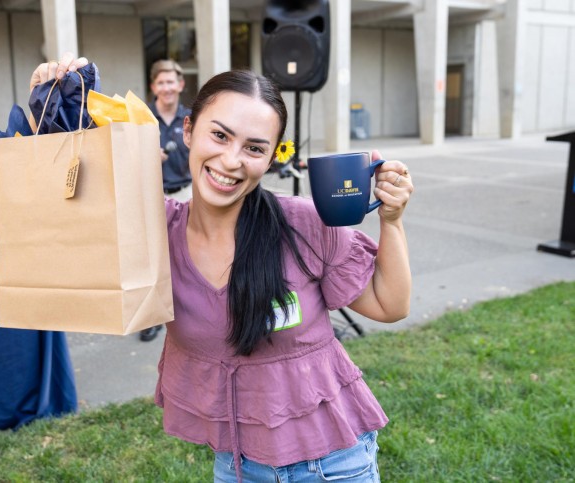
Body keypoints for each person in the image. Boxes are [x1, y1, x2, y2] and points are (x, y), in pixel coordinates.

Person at [33, 54, 413, 482]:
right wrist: (51, 104)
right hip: (238, 466)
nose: (232, 161)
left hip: (335, 464)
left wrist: (392, 221)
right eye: (219, 135)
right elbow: (69, 198)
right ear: (189, 131)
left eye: (254, 148)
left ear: (269, 160)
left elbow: (389, 305)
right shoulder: (154, 230)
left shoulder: (304, 223)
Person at [139, 59, 192, 342]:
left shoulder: (193, 117)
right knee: (154, 260)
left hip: (187, 194)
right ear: (153, 87)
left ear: (180, 84)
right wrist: (146, 154)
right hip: (153, 196)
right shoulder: (140, 117)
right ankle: (154, 317)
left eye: (171, 81)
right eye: (161, 82)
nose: (167, 87)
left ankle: (190, 313)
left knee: (188, 255)